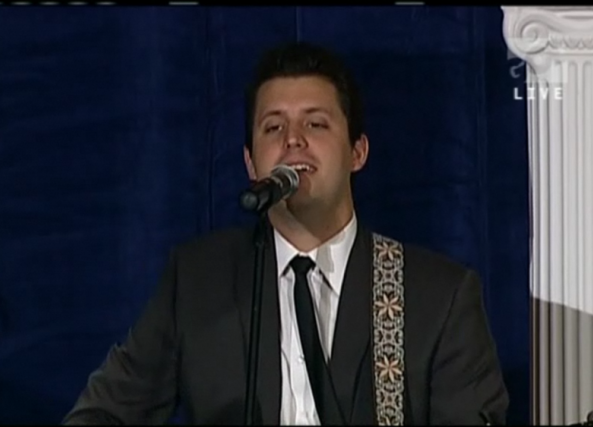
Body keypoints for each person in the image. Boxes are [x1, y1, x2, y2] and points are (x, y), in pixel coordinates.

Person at [62, 41, 509, 425]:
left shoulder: (437, 296)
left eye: (315, 124)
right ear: (252, 164)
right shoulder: (198, 282)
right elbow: (103, 413)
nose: (293, 140)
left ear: (358, 152)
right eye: (273, 127)